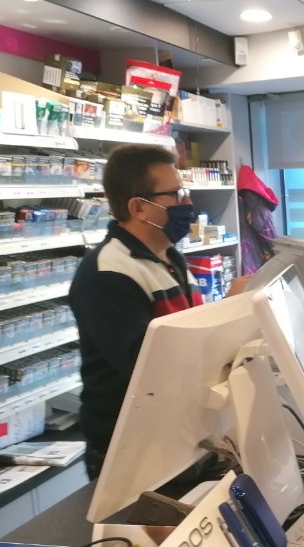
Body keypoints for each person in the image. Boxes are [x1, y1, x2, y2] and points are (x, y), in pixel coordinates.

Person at [69, 144, 204, 480]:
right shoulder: (107, 274)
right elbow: (151, 366)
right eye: (176, 194)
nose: (187, 202)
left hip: (176, 437)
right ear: (139, 207)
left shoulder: (169, 257)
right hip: (133, 454)